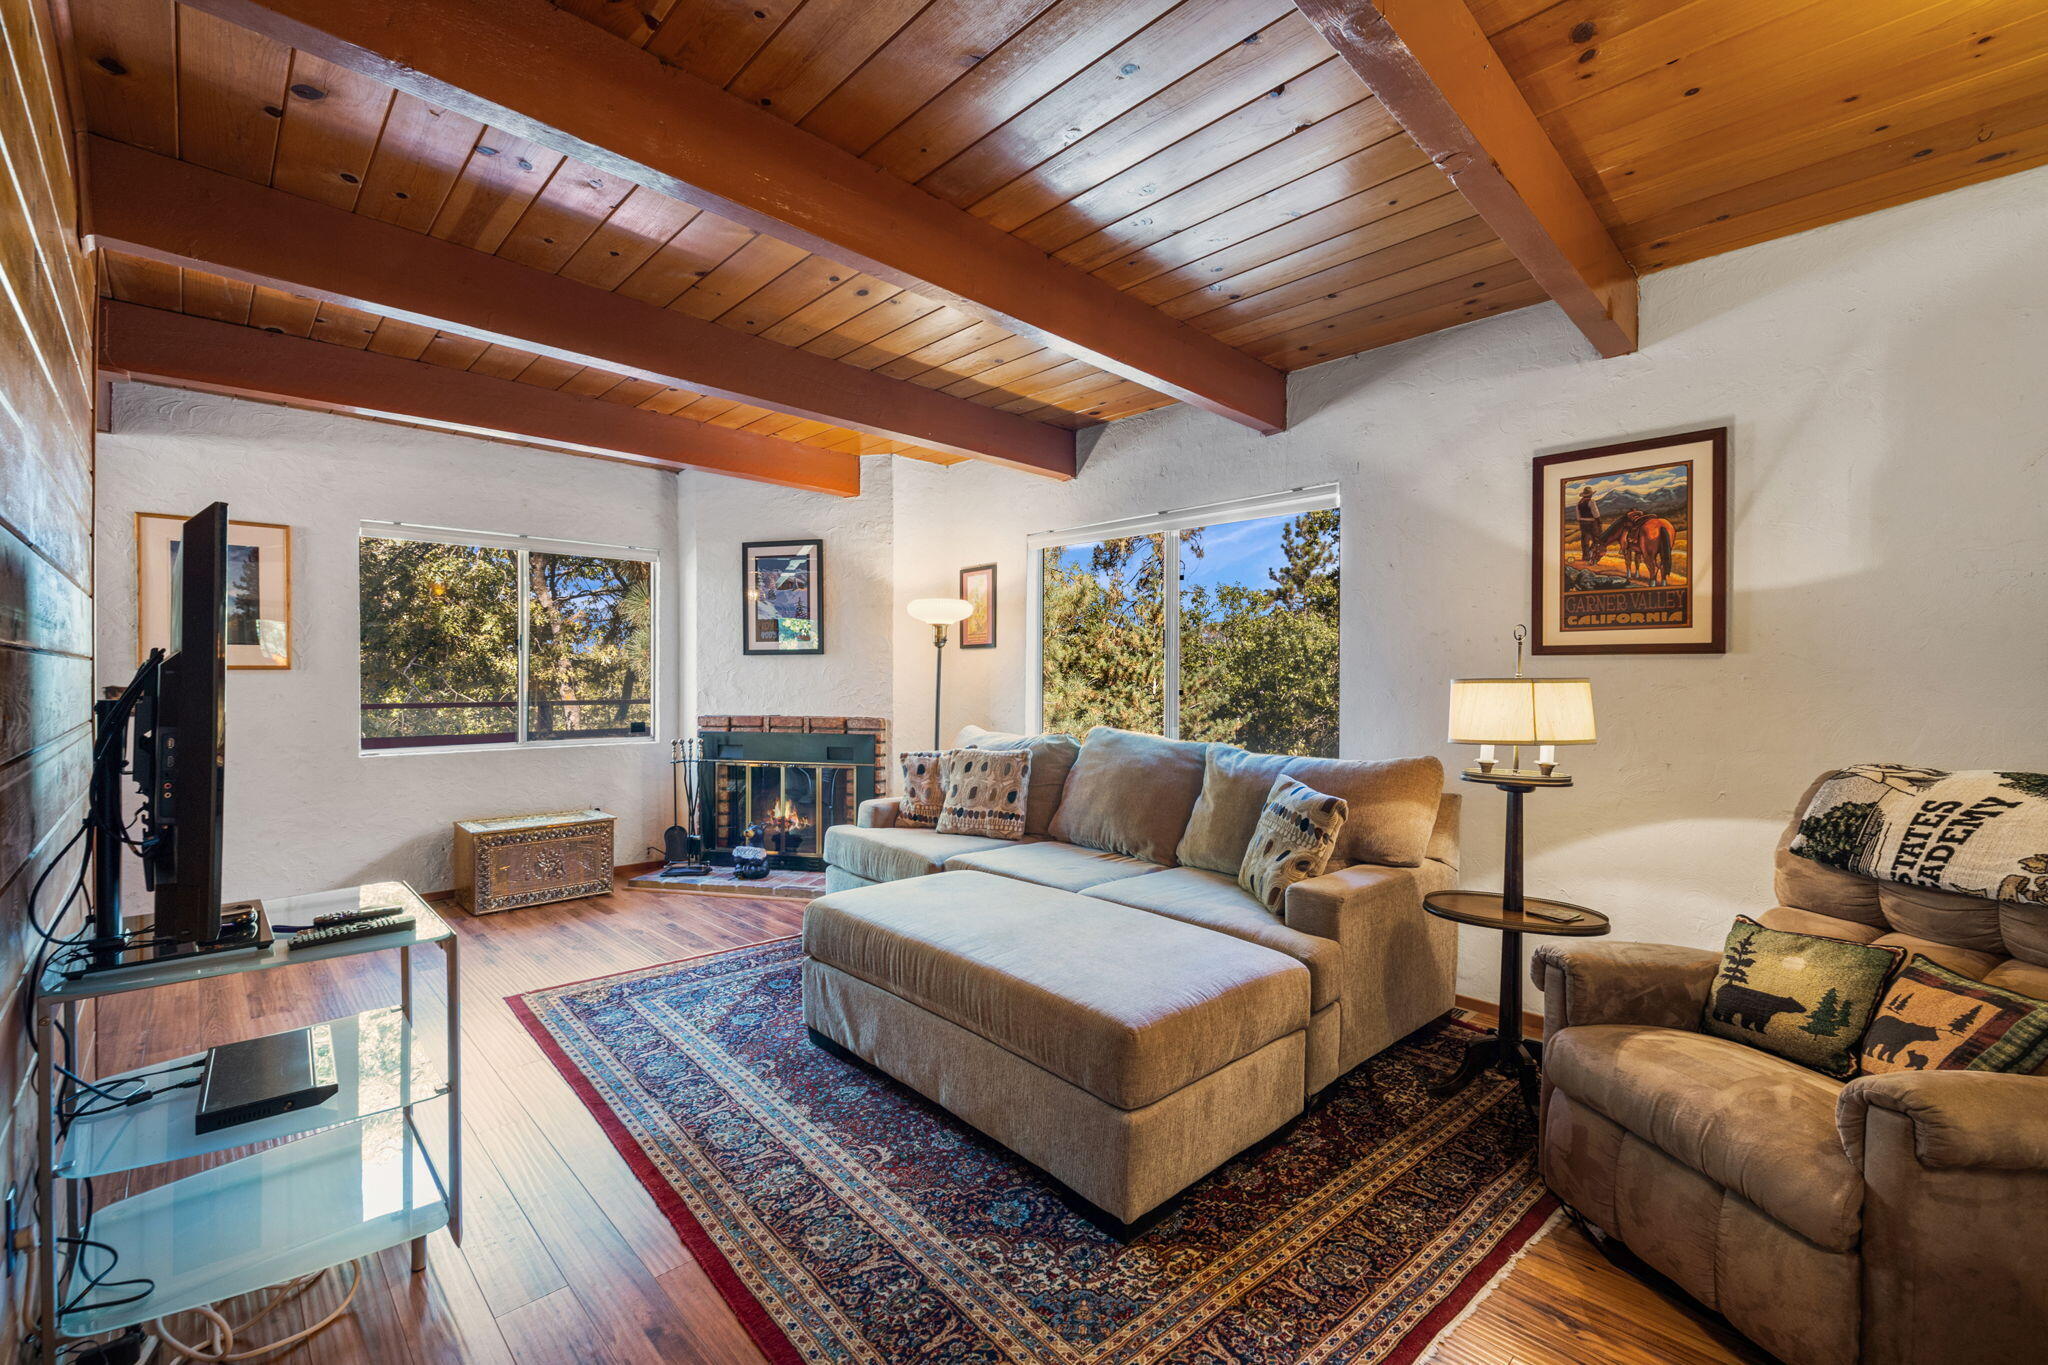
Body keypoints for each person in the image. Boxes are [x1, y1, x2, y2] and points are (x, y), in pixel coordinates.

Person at [1574, 486, 1605, 565]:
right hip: (1592, 523)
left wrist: (1582, 521)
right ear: (1590, 495)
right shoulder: (1591, 501)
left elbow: (1578, 516)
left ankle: (1585, 556)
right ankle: (1593, 556)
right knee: (1596, 539)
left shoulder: (1579, 503)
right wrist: (1599, 521)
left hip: (1583, 523)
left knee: (1585, 540)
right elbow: (1596, 513)